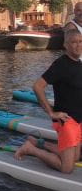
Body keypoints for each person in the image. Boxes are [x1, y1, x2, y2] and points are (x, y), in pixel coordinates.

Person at [14, 29, 82, 173]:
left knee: (76, 157)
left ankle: (38, 142)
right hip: (66, 120)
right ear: (66, 45)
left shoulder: (79, 63)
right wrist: (51, 113)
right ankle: (31, 149)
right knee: (67, 168)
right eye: (73, 42)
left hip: (79, 120)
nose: (78, 45)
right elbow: (38, 86)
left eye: (80, 42)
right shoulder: (61, 64)